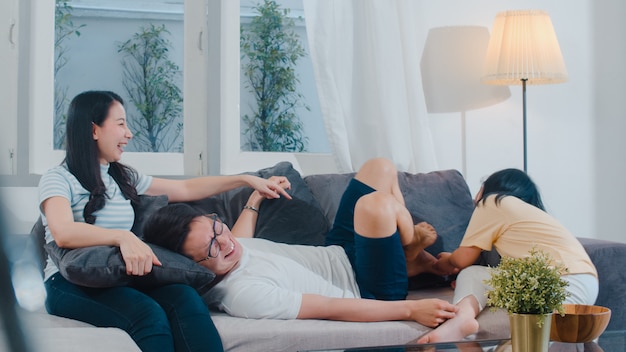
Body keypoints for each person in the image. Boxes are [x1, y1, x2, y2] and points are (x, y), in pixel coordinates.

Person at [39, 90, 293, 352]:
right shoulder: (58, 178)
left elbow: (186, 189)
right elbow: (63, 233)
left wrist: (245, 180)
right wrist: (123, 237)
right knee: (148, 315)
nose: (129, 133)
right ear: (94, 130)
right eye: (121, 124)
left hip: (117, 277)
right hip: (66, 283)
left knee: (186, 299)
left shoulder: (123, 178)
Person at [143, 157, 459, 327]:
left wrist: (256, 196)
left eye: (215, 228)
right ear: (196, 268)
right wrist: (411, 310)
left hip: (340, 251)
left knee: (380, 167)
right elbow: (331, 307)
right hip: (366, 286)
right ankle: (406, 246)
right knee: (374, 205)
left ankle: (405, 254)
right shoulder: (243, 294)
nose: (224, 243)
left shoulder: (230, 247)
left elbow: (238, 237)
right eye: (211, 248)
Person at [417, 168, 599, 343]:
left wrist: (443, 262)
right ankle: (464, 318)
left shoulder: (492, 202)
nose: (474, 198)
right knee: (475, 275)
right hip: (581, 281)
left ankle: (463, 318)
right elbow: (494, 274)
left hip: (561, 281)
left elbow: (462, 259)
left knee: (534, 339)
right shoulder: (528, 220)